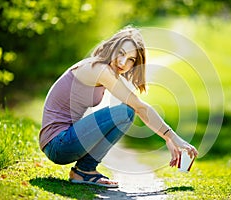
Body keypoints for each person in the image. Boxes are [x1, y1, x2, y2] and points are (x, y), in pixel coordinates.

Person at [39, 26, 198, 188]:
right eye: (121, 53)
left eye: (131, 59)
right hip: (58, 144)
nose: (123, 62)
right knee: (125, 112)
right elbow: (139, 107)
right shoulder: (99, 69)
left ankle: (83, 172)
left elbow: (139, 107)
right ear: (112, 48)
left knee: (126, 111)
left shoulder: (103, 69)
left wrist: (168, 138)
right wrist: (173, 138)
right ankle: (85, 170)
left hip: (60, 142)